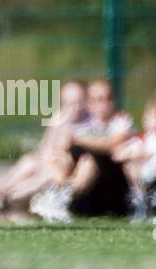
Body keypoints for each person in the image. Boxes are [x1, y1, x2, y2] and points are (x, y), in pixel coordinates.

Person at [0, 79, 89, 222]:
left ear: (86, 101)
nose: (74, 107)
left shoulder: (87, 125)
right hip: (47, 164)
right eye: (69, 102)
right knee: (29, 162)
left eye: (78, 101)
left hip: (59, 173)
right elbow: (47, 147)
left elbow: (67, 156)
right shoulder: (59, 117)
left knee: (46, 173)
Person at [31, 77, 134, 221]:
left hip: (114, 188)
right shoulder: (87, 124)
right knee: (62, 160)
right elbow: (57, 148)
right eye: (98, 100)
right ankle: (49, 198)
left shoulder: (120, 121)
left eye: (109, 98)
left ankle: (58, 198)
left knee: (89, 160)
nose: (105, 104)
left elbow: (111, 144)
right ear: (89, 103)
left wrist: (76, 138)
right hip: (91, 192)